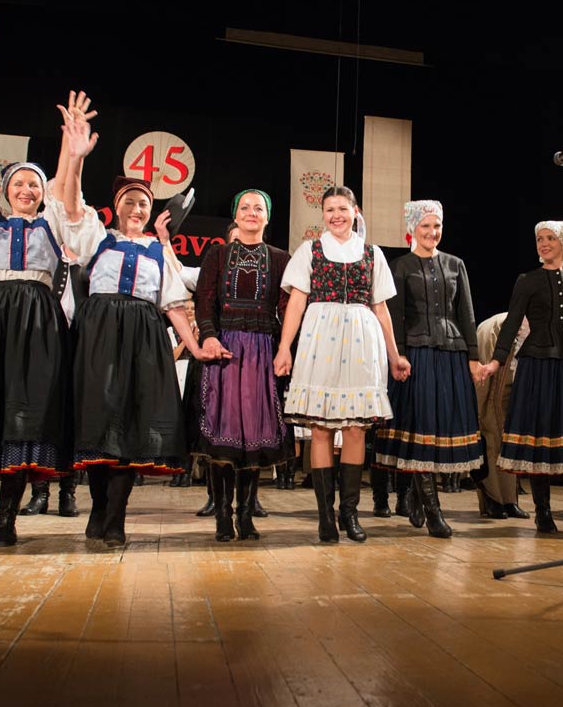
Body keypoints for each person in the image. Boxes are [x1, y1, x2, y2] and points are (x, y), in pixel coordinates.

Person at [0, 85, 104, 547]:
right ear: (6, 190)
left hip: (38, 321)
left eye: (34, 185)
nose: (27, 190)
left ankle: (8, 514)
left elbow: (66, 192)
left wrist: (72, 148)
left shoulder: (53, 221)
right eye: (19, 184)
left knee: (24, 414)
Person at [67, 107, 202, 546]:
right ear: (117, 206)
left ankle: (117, 517)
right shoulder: (97, 238)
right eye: (130, 201)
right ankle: (98, 506)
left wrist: (195, 347)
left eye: (144, 203)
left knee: (127, 427)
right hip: (99, 336)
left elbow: (174, 304)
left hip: (143, 338)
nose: (137, 208)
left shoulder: (159, 252)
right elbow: (71, 207)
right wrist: (76, 157)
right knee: (99, 424)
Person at [274, 186, 406, 543]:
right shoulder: (311, 250)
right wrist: (284, 348)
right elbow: (296, 303)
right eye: (330, 209)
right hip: (320, 337)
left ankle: (350, 513)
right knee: (320, 428)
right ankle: (325, 516)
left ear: (355, 211)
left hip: (362, 340)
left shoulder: (372, 253)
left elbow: (381, 308)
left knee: (356, 429)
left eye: (342, 209)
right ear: (323, 214)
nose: (336, 215)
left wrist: (394, 355)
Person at [480, 221, 563, 537]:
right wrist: (496, 362)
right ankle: (543, 513)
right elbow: (512, 324)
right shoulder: (527, 281)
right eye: (540, 239)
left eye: (550, 238)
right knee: (539, 438)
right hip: (538, 367)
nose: (543, 243)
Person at [377, 200, 483, 538]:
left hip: (451, 353)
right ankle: (433, 509)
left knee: (441, 428)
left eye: (436, 226)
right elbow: (395, 316)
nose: (432, 232)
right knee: (421, 426)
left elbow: (466, 313)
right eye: (425, 226)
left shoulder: (455, 264)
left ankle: (417, 494)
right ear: (412, 228)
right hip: (416, 354)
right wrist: (398, 356)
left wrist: (473, 356)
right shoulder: (400, 266)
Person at [193, 189, 292, 541]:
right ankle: (223, 514)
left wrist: (286, 349)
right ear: (235, 215)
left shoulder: (280, 259)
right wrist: (208, 336)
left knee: (254, 433)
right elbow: (204, 300)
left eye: (258, 208)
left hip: (262, 350)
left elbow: (287, 308)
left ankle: (246, 514)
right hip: (226, 349)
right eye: (245, 207)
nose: (252, 213)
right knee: (224, 434)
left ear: (268, 216)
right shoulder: (218, 255)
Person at [474, 313, 530, 520]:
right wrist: (478, 407)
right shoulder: (499, 326)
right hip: (491, 386)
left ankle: (509, 500)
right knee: (491, 438)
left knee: (509, 444)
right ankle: (493, 498)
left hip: (514, 387)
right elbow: (484, 365)